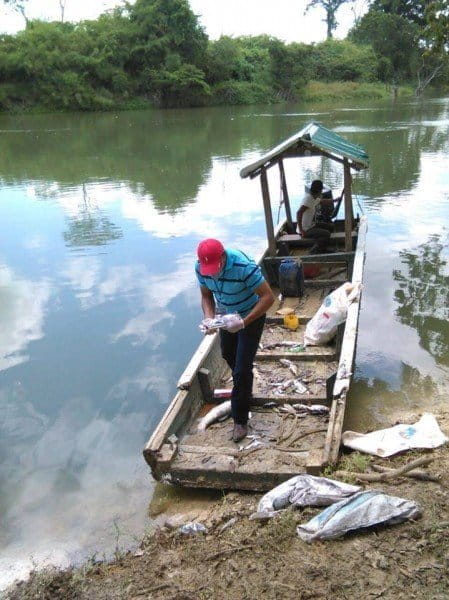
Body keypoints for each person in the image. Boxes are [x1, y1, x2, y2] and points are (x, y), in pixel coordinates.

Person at [195, 238, 275, 442]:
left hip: (251, 314)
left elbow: (268, 297)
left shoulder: (242, 266)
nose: (212, 272)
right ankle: (245, 385)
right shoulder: (201, 268)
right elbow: (206, 296)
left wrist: (244, 322)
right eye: (208, 269)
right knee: (228, 355)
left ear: (223, 257)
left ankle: (240, 420)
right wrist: (209, 319)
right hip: (226, 314)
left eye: (215, 267)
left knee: (240, 369)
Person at [296, 179, 335, 253]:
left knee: (330, 227)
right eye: (321, 190)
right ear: (319, 190)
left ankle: (322, 244)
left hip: (311, 225)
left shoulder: (313, 197)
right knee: (326, 234)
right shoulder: (308, 199)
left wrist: (335, 200)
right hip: (306, 229)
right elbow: (299, 213)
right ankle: (315, 249)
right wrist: (301, 230)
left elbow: (322, 201)